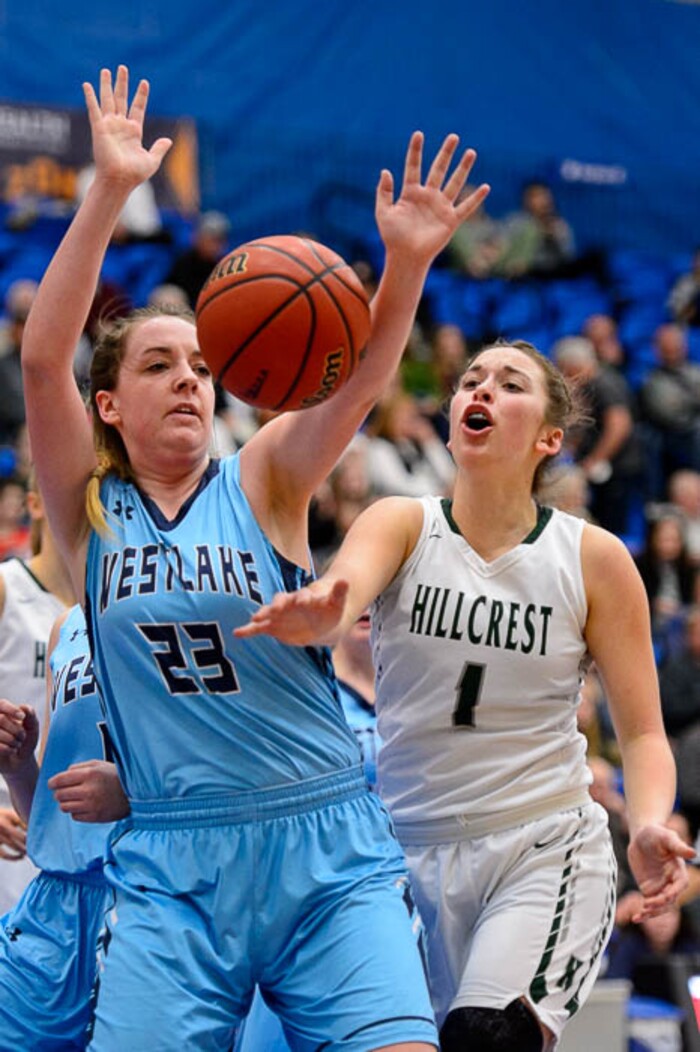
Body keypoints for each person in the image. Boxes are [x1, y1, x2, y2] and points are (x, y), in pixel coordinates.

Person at [21, 64, 490, 1050]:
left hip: (322, 838)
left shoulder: (264, 473)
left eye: (200, 364)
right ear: (107, 405)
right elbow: (41, 352)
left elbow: (357, 385)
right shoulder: (86, 508)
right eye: (159, 365)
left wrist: (401, 266)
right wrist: (107, 189)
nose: (189, 381)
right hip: (172, 860)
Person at [237, 338, 693, 1051]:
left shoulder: (592, 559)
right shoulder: (403, 522)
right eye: (470, 381)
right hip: (401, 855)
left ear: (549, 437)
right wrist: (326, 609)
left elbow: (640, 734)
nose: (479, 391)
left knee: (486, 1038)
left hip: (541, 843)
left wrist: (646, 821)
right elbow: (346, 585)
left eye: (509, 385)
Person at [0, 604, 128, 1049]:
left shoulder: (192, 605)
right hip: (55, 909)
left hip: (146, 898)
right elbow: (52, 816)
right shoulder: (67, 624)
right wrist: (17, 768)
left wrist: (133, 795)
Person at [0, 474, 74, 914]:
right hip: (10, 830)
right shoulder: (9, 586)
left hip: (81, 838)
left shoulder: (112, 606)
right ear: (37, 504)